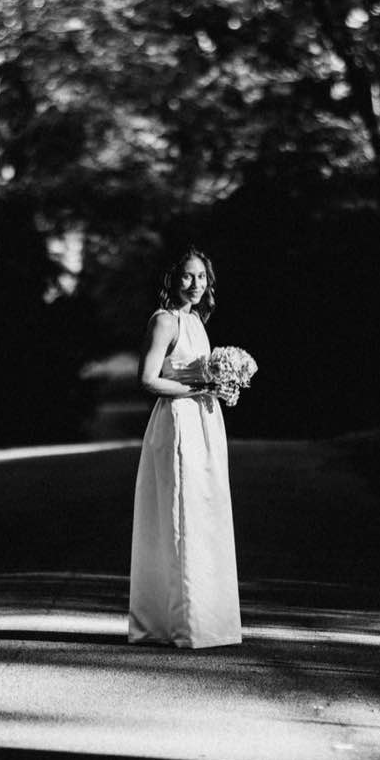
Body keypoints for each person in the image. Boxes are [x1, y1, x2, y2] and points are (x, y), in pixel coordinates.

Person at [128, 247, 242, 648]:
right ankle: (178, 623)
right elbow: (147, 379)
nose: (196, 285)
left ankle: (209, 620)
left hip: (204, 420)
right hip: (177, 422)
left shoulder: (197, 320)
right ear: (172, 279)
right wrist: (200, 388)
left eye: (202, 278)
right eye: (187, 277)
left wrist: (223, 383)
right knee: (181, 514)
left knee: (206, 513)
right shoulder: (165, 321)